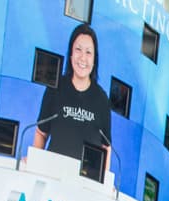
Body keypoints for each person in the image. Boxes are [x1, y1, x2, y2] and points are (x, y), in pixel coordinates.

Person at [33, 23, 112, 168]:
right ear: (70, 54)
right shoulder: (55, 88)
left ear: (94, 59)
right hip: (52, 174)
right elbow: (41, 132)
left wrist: (104, 183)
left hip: (84, 182)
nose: (83, 57)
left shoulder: (102, 99)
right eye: (78, 50)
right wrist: (34, 163)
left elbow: (106, 147)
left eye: (88, 52)